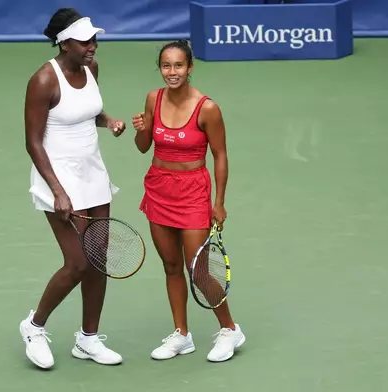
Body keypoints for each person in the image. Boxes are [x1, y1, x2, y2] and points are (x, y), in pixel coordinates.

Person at [20, 8, 126, 370]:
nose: (92, 46)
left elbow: (85, 110)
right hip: (59, 179)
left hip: (93, 174)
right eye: (85, 41)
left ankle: (88, 339)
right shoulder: (43, 81)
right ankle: (34, 327)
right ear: (64, 43)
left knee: (98, 260)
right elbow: (33, 142)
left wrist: (107, 120)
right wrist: (58, 191)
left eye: (94, 40)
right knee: (78, 262)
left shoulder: (91, 69)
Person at [131, 40, 246, 363]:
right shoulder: (154, 98)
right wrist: (141, 130)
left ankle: (230, 329)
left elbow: (220, 155)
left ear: (190, 68)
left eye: (178, 65)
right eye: (166, 66)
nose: (172, 72)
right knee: (170, 266)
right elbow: (143, 146)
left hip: (194, 192)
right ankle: (181, 334)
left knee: (198, 270)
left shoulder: (207, 108)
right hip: (159, 189)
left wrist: (219, 202)